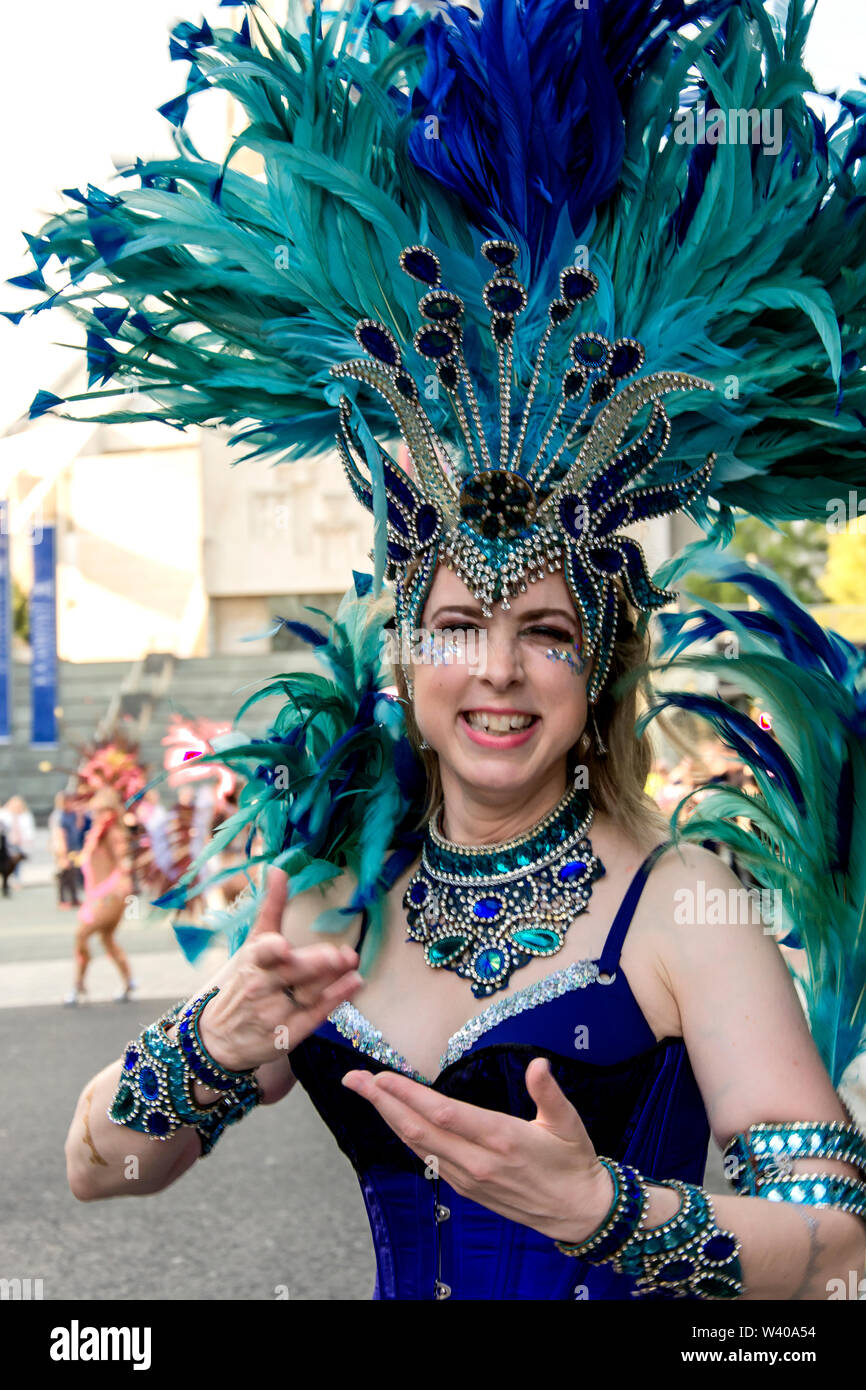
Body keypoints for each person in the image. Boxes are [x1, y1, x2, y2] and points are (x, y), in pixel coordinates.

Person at [20, 0, 866, 1302]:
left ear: (596, 669)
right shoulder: (325, 900)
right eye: (459, 625)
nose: (497, 669)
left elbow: (832, 1237)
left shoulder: (684, 901)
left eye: (545, 631)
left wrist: (606, 1212)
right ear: (405, 649)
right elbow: (103, 1168)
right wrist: (216, 1034)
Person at [64, 787, 138, 1006]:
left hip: (110, 896)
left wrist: (122, 880)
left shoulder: (112, 833)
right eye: (94, 811)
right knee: (107, 940)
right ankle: (128, 981)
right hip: (97, 895)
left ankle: (78, 985)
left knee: (82, 935)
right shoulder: (97, 833)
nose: (96, 816)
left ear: (110, 811)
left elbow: (123, 859)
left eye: (100, 811)